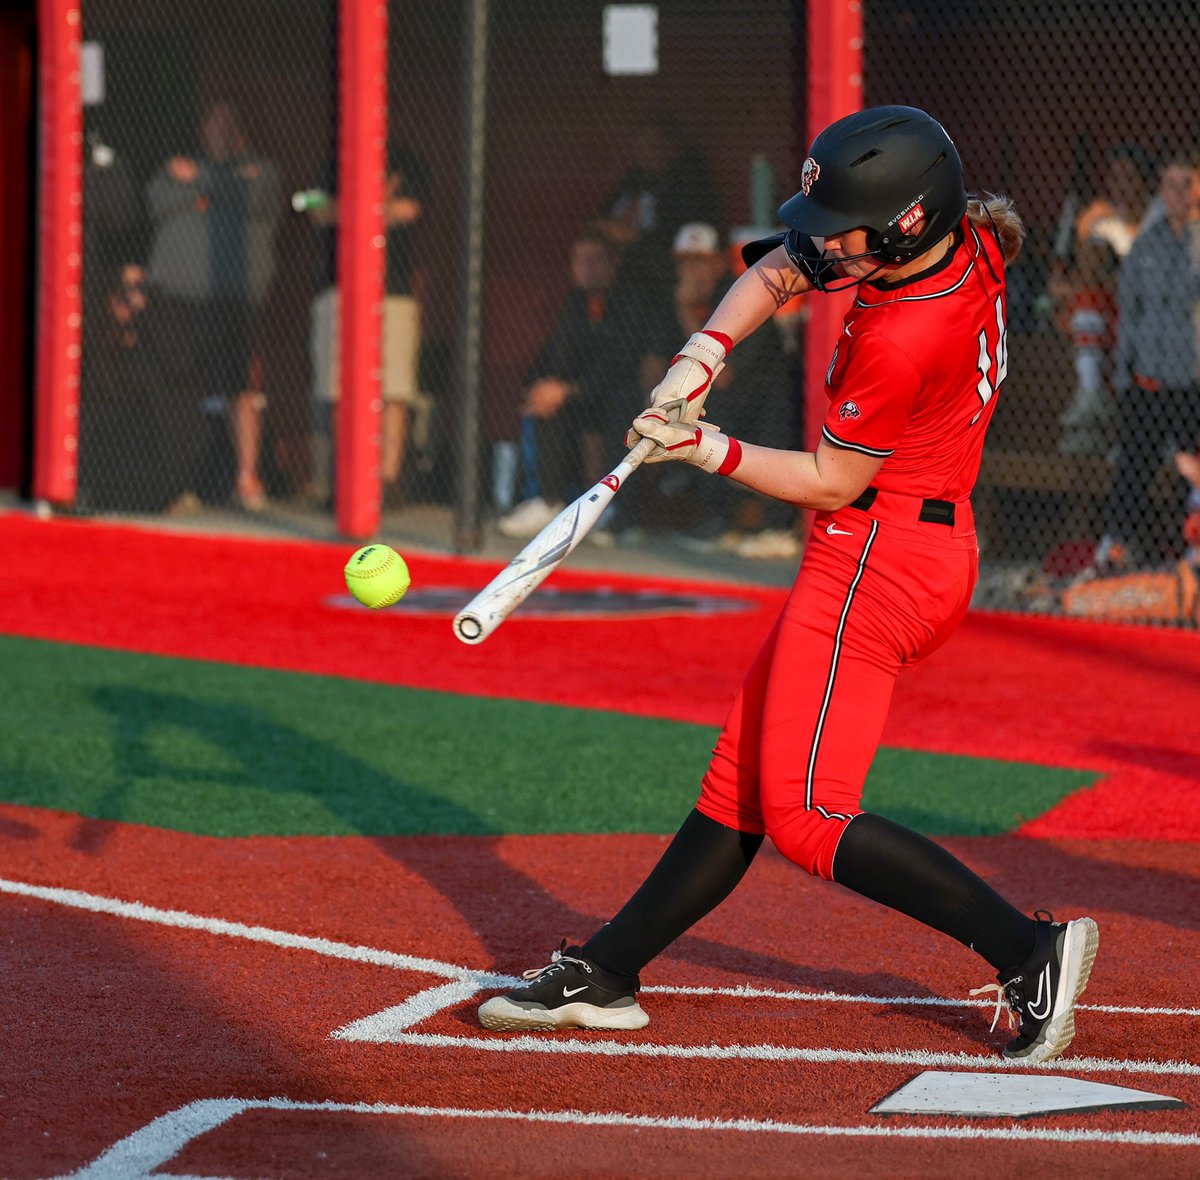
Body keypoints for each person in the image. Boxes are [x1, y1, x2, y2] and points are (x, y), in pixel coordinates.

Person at [477, 106, 1099, 1066]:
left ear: (901, 226)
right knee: (742, 781)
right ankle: (609, 971)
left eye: (842, 225)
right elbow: (774, 269)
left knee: (809, 816)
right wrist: (700, 359)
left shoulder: (906, 332)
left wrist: (702, 444)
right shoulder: (951, 243)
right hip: (907, 544)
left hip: (878, 558)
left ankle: (1029, 950)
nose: (822, 242)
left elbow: (828, 479)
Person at [144, 100, 281, 511]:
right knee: (181, 385)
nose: (218, 130)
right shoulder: (177, 166)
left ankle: (246, 479)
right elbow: (157, 201)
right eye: (212, 122)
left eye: (227, 123)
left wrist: (200, 183)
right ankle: (177, 482)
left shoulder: (263, 170)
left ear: (240, 132)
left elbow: (254, 198)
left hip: (232, 298)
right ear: (202, 130)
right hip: (179, 299)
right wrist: (213, 187)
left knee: (238, 385)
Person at [497, 229, 667, 539]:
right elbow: (557, 353)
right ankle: (546, 501)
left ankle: (616, 515)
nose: (586, 268)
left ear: (613, 263)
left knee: (620, 404)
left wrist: (567, 390)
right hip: (585, 395)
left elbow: (622, 361)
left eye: (594, 260)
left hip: (624, 395)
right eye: (579, 261)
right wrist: (546, 386)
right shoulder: (575, 302)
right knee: (545, 399)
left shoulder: (632, 299)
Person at [1084, 156, 1200, 576]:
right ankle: (1117, 547)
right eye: (1171, 185)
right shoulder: (1144, 246)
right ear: (1160, 191)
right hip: (1148, 377)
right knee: (1134, 465)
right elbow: (1129, 313)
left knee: (1193, 467)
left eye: (1186, 185)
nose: (1179, 194)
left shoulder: (1198, 244)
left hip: (1190, 379)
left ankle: (1193, 551)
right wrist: (1123, 374)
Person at [659, 221, 802, 558]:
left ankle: (777, 528)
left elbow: (721, 375)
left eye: (699, 262)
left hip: (769, 397)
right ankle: (723, 523)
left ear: (718, 263)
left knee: (756, 433)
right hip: (736, 401)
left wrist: (684, 309)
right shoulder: (684, 299)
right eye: (684, 262)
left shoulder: (734, 293)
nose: (690, 271)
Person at [305, 142, 430, 508]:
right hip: (338, 287)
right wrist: (377, 204)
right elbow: (309, 206)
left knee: (394, 388)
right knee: (335, 385)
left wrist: (346, 208)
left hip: (393, 290)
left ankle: (386, 480)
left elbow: (409, 211)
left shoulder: (409, 160)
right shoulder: (332, 159)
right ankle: (344, 479)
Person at [1054, 144, 1156, 457]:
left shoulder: (1155, 218)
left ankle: (1112, 424)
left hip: (1141, 316)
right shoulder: (1098, 214)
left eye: (1128, 176)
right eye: (1115, 176)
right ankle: (1090, 396)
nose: (1119, 183)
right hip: (1100, 307)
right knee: (1088, 304)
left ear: (1143, 181)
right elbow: (1085, 272)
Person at [593, 112, 722, 297]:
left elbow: (681, 231)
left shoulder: (687, 181)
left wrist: (636, 237)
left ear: (672, 147)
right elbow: (601, 214)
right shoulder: (635, 176)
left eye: (654, 146)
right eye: (642, 147)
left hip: (656, 256)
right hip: (616, 251)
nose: (646, 153)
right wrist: (606, 229)